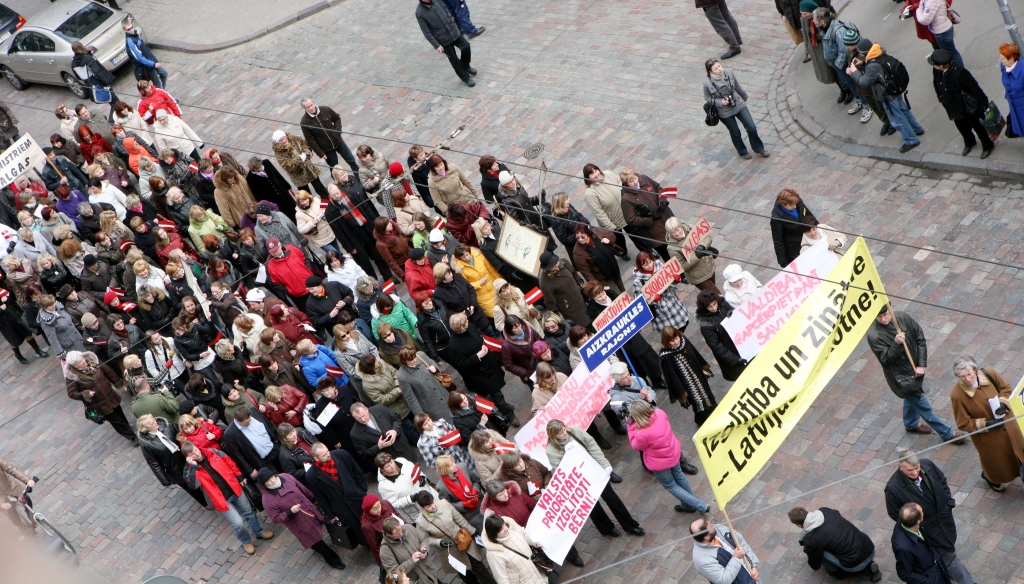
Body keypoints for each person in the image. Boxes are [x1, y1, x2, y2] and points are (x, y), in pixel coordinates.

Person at [867, 305, 966, 442]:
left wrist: (921, 364)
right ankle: (947, 434)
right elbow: (886, 360)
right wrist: (896, 343)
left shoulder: (902, 317)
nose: (883, 319)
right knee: (923, 406)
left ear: (890, 310)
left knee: (911, 398)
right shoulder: (874, 335)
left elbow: (919, 337)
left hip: (915, 371)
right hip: (903, 379)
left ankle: (911, 424)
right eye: (879, 317)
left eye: (885, 314)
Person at [546, 420, 646, 537]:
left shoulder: (573, 430)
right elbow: (561, 470)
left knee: (612, 498)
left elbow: (591, 444)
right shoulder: (551, 451)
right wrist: (569, 456)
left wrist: (604, 464)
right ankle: (607, 528)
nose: (564, 433)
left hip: (593, 470)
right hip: (579, 481)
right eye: (560, 433)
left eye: (563, 429)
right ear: (553, 436)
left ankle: (630, 525)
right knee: (593, 507)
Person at [884, 455, 974, 584]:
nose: (915, 473)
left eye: (917, 467)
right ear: (900, 466)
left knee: (948, 550)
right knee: (950, 557)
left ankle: (947, 570)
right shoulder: (893, 488)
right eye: (910, 470)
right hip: (928, 531)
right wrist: (915, 521)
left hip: (944, 522)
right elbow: (894, 512)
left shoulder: (928, 465)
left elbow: (942, 480)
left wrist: (948, 503)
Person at [181, 442, 274, 555]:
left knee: (249, 512)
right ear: (188, 457)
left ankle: (259, 532)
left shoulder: (212, 452)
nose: (197, 453)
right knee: (238, 523)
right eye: (193, 454)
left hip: (234, 489)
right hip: (220, 500)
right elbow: (194, 485)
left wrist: (239, 476)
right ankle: (246, 541)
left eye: (196, 450)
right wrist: (194, 466)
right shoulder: (189, 470)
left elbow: (229, 462)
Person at [950, 356, 1024, 491]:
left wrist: (1002, 401)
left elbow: (1005, 388)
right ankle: (991, 478)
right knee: (999, 463)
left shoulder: (989, 373)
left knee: (1020, 451)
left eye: (969, 374)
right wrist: (986, 423)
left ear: (975, 369)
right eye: (962, 377)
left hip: (1008, 425)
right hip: (990, 437)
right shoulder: (957, 395)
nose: (967, 379)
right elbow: (963, 423)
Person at [626, 401, 709, 513]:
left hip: (659, 462)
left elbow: (635, 446)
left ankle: (700, 506)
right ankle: (688, 506)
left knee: (671, 486)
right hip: (673, 451)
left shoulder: (641, 433)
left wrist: (629, 425)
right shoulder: (659, 413)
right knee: (679, 476)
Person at [258, 468, 346, 569]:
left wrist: (313, 499)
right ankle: (334, 561)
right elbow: (275, 518)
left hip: (310, 509)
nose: (272, 481)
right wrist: (289, 512)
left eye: (271, 477)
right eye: (267, 481)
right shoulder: (267, 500)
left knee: (322, 526)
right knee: (315, 541)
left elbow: (302, 488)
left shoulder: (286, 477)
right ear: (264, 484)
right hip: (299, 523)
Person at [850, 38, 924, 153]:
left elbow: (864, 81)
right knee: (904, 110)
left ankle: (911, 140)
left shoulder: (872, 65)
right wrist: (863, 63)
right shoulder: (879, 52)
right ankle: (917, 129)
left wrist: (854, 71)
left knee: (897, 119)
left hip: (888, 94)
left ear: (863, 53)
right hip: (894, 88)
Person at [446, 313, 517, 423]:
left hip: (489, 364)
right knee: (495, 393)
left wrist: (484, 344)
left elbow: (479, 334)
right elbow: (462, 364)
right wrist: (477, 356)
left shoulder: (469, 327)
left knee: (497, 391)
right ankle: (509, 415)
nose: (468, 323)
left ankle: (503, 406)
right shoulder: (454, 345)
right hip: (480, 373)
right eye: (465, 322)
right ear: (461, 327)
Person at [413, 491, 494, 584]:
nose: (433, 506)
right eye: (428, 506)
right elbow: (425, 539)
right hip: (449, 551)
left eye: (433, 503)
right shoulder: (420, 522)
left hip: (463, 541)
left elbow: (458, 518)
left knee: (479, 567)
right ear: (422, 508)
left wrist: (472, 531)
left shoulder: (444, 503)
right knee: (465, 574)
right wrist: (439, 542)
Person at [788, 506, 881, 581]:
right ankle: (869, 565)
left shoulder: (811, 539)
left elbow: (815, 565)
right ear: (807, 512)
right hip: (869, 548)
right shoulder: (825, 511)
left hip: (854, 565)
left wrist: (809, 550)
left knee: (819, 551)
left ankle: (838, 573)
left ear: (799, 525)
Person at [929, 50, 993, 158]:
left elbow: (974, 87)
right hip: (952, 107)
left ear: (941, 65)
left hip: (967, 106)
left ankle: (987, 145)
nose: (933, 65)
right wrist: (940, 97)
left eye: (934, 64)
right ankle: (969, 142)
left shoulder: (959, 72)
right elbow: (936, 84)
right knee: (962, 127)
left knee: (978, 127)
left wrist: (984, 104)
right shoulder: (937, 70)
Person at [64, 350, 137, 445]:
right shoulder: (71, 377)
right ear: (75, 365)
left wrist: (118, 382)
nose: (83, 361)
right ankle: (132, 437)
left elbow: (108, 371)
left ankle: (127, 427)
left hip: (110, 395)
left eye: (82, 358)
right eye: (80, 362)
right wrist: (86, 394)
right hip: (99, 404)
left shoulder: (93, 361)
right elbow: (71, 393)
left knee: (119, 413)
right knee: (116, 421)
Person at [136, 414, 208, 507]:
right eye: (152, 423)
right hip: (173, 468)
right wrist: (164, 479)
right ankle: (204, 502)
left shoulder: (168, 427)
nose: (155, 422)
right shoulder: (147, 444)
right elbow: (153, 463)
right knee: (190, 487)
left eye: (154, 420)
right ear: (146, 428)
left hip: (184, 458)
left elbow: (181, 435)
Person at [306, 443, 369, 547]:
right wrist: (330, 515)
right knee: (358, 530)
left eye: (327, 451)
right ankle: (368, 544)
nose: (328, 455)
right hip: (343, 509)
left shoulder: (342, 454)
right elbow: (320, 498)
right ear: (316, 458)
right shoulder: (311, 476)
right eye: (324, 455)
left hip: (358, 498)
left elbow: (357, 472)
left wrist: (362, 491)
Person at [704, 59, 768, 159]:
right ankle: (742, 151)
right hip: (724, 111)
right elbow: (707, 98)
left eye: (719, 66)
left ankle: (759, 148)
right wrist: (720, 102)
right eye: (716, 69)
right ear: (710, 71)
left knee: (751, 127)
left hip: (738, 103)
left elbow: (737, 86)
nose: (719, 69)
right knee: (735, 132)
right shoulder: (707, 83)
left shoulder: (728, 72)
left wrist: (744, 96)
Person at [660, 326, 718, 426]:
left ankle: (712, 414)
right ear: (667, 342)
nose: (676, 342)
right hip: (688, 385)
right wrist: (681, 395)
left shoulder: (684, 341)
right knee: (698, 403)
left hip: (699, 376)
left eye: (677, 338)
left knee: (708, 396)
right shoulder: (666, 356)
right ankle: (703, 420)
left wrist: (704, 368)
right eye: (672, 341)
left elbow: (694, 354)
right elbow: (672, 378)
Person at [416, 0, 477, 87]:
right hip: (442, 38)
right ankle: (466, 78)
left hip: (453, 30)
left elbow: (446, 9)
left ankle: (465, 65)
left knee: (466, 46)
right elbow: (426, 32)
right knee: (454, 59)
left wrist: (451, 19)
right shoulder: (420, 12)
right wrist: (436, 45)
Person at [892, 503, 953, 584]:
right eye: (922, 511)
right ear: (918, 520)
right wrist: (929, 581)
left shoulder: (906, 521)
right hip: (929, 577)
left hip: (936, 568)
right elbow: (905, 574)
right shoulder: (903, 548)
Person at [619, 168, 672, 259]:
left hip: (668, 220)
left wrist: (663, 201)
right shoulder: (626, 199)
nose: (635, 182)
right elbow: (631, 219)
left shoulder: (644, 178)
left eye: (635, 178)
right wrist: (650, 219)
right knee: (668, 256)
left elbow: (658, 188)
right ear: (626, 183)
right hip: (654, 232)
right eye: (631, 181)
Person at [482, 515, 550, 584]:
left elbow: (525, 535)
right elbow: (502, 580)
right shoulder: (493, 553)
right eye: (501, 529)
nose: (505, 528)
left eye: (503, 524)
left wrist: (536, 543)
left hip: (539, 576)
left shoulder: (513, 528)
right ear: (494, 533)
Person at [695, 290, 747, 381]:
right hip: (731, 355)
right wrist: (734, 359)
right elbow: (716, 346)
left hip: (740, 344)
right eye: (710, 306)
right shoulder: (706, 324)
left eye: (714, 304)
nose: (714, 308)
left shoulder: (723, 304)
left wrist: (733, 314)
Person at [690, 518, 761, 584]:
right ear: (706, 536)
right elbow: (724, 580)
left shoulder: (718, 528)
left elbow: (741, 542)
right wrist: (736, 558)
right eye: (710, 526)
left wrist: (753, 566)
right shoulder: (702, 560)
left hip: (752, 576)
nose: (713, 524)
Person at [632, 253, 690, 332]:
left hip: (673, 305)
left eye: (650, 262)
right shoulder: (638, 281)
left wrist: (676, 280)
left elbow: (670, 282)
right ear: (640, 266)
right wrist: (652, 299)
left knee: (685, 323)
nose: (649, 266)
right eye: (645, 265)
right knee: (672, 334)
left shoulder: (659, 265)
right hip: (661, 314)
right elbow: (639, 301)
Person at [221, 407, 281, 482]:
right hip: (262, 461)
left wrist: (277, 442)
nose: (249, 423)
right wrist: (250, 470)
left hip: (275, 449)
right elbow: (237, 455)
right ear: (237, 420)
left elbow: (268, 425)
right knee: (277, 480)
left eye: (250, 419)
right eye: (246, 423)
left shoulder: (254, 412)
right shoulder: (230, 434)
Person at [582, 163, 630, 257]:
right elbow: (599, 213)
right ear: (588, 178)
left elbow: (620, 182)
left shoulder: (608, 174)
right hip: (613, 222)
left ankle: (647, 250)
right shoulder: (590, 193)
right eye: (592, 174)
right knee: (619, 240)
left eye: (596, 171)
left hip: (626, 212)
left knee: (636, 234)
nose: (596, 174)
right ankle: (623, 252)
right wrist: (610, 227)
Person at [376, 452, 439, 524]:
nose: (392, 466)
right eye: (388, 466)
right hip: (417, 511)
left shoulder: (402, 461)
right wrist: (410, 499)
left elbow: (415, 469)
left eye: (391, 462)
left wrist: (421, 476)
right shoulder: (383, 486)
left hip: (432, 498)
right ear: (382, 469)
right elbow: (393, 503)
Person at [298, 98, 358, 172]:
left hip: (338, 142)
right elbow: (310, 140)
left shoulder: (325, 109)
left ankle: (360, 179)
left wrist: (337, 132)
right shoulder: (304, 122)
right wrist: (320, 153)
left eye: (311, 105)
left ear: (314, 103)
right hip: (327, 149)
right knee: (335, 169)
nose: (311, 108)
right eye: (308, 107)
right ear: (304, 108)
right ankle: (338, 182)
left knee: (352, 161)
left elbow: (337, 118)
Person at [380, 517, 443, 584]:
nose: (401, 534)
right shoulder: (385, 550)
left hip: (429, 571)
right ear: (388, 534)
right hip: (416, 580)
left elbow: (424, 538)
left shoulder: (408, 527)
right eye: (396, 533)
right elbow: (394, 575)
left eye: (400, 529)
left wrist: (424, 548)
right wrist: (411, 561)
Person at [351, 402, 419, 463]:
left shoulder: (380, 409)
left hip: (403, 449)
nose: (363, 419)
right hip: (389, 461)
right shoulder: (355, 434)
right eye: (359, 418)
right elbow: (363, 453)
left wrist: (395, 430)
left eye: (364, 415)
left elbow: (396, 417)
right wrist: (378, 446)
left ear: (366, 409)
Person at [537, 252, 591, 328]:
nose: (556, 265)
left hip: (581, 300)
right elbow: (551, 304)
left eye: (556, 262)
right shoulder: (544, 282)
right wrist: (556, 322)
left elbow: (575, 276)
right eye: (553, 265)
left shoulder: (564, 263)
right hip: (570, 310)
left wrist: (583, 288)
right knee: (582, 328)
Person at [271, 131, 328, 198]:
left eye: (284, 138)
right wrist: (300, 159)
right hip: (298, 176)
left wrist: (306, 153)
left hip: (309, 169)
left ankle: (328, 202)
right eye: (281, 140)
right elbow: (287, 166)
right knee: (305, 195)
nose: (284, 141)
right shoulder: (279, 153)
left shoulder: (293, 139)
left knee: (319, 187)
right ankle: (310, 207)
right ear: (277, 142)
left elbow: (305, 143)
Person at [572, 225, 626, 293]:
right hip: (601, 277)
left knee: (623, 291)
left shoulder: (597, 232)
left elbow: (611, 234)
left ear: (587, 233)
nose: (580, 240)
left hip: (613, 269)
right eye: (577, 238)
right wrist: (596, 285)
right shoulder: (578, 252)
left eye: (583, 237)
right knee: (616, 294)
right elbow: (586, 272)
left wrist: (608, 240)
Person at [770, 188, 816, 267]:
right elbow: (778, 241)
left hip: (808, 238)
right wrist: (783, 262)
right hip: (795, 249)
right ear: (784, 204)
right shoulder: (776, 218)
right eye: (792, 205)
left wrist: (818, 228)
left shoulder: (797, 202)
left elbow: (809, 215)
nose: (795, 206)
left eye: (795, 203)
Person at [123, 18, 168, 88]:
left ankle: (162, 93)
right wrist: (152, 64)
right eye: (129, 29)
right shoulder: (130, 42)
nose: (131, 30)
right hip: (147, 65)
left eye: (132, 27)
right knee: (158, 83)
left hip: (151, 60)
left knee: (164, 73)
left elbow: (145, 49)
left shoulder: (135, 35)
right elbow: (139, 58)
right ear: (125, 30)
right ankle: (161, 97)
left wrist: (154, 60)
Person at [1, 458, 36, 533]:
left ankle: (31, 516)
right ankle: (21, 526)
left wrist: (27, 480)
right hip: (1, 497)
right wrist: (1, 504)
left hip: (10, 486)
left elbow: (11, 469)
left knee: (26, 498)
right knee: (11, 510)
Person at [999, 43, 1024, 138]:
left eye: (1002, 58)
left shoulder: (1023, 72)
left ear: (1011, 60)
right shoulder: (1004, 65)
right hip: (1014, 104)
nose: (1000, 60)